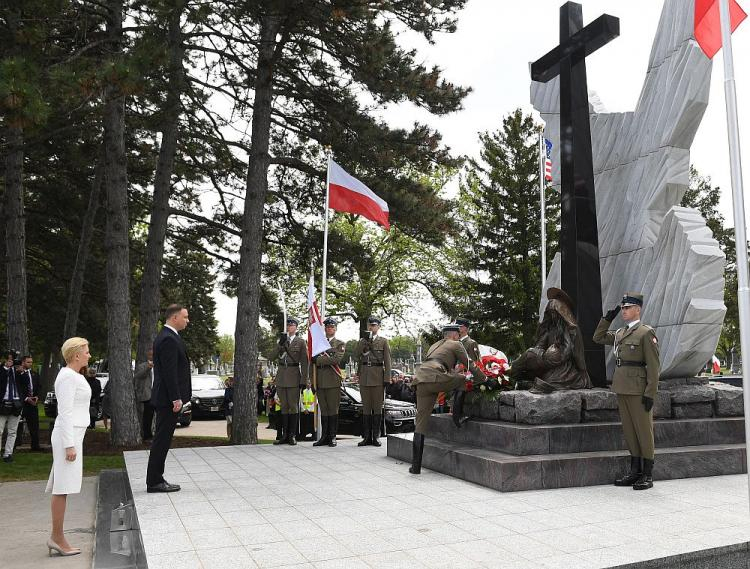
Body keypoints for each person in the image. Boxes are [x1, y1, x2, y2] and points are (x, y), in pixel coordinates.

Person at [593, 292, 660, 491]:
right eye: (622, 308)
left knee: (644, 432)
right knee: (630, 432)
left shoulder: (646, 333)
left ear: (638, 309)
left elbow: (654, 367)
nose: (624, 311)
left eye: (627, 307)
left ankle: (647, 474)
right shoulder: (620, 333)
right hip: (622, 387)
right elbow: (597, 337)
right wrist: (607, 319)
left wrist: (650, 393)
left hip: (639, 390)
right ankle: (635, 472)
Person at [408, 324, 486, 474]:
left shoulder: (434, 345)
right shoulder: (456, 344)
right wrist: (484, 378)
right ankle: (458, 416)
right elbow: (470, 364)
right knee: (463, 380)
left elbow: (439, 363)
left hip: (421, 380)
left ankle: (415, 467)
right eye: (458, 334)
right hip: (436, 378)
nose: (458, 337)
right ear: (455, 335)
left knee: (420, 425)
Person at [46, 337, 92, 556]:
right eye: (86, 351)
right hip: (69, 435)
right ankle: (57, 537)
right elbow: (64, 413)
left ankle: (58, 536)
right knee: (62, 487)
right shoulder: (67, 377)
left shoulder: (73, 375)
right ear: (76, 355)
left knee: (63, 487)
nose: (89, 355)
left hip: (74, 434)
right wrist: (69, 445)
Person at [146, 304, 191, 493]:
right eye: (185, 317)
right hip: (167, 399)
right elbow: (169, 372)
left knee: (162, 439)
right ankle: (155, 481)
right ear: (174, 318)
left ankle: (156, 478)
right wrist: (176, 398)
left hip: (167, 398)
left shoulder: (169, 336)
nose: (187, 321)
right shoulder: (168, 339)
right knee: (162, 440)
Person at [353, 316, 391, 447]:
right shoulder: (362, 341)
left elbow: (388, 361)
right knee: (366, 408)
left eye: (374, 325)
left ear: (378, 327)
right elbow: (357, 354)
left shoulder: (383, 341)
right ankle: (366, 437)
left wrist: (387, 378)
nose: (371, 327)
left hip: (377, 377)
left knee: (377, 408)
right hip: (364, 376)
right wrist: (364, 342)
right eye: (370, 325)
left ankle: (376, 436)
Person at [272, 317, 308, 446]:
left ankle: (292, 435)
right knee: (284, 407)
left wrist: (304, 379)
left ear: (296, 327)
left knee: (293, 406)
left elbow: (304, 362)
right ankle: (284, 435)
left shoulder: (301, 342)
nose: (289, 327)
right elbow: (272, 356)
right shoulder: (281, 340)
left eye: (292, 325)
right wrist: (280, 344)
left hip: (293, 376)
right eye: (288, 325)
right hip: (281, 376)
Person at [312, 317, 346, 447]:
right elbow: (312, 364)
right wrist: (313, 381)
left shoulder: (339, 344)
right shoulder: (318, 343)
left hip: (333, 380)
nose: (329, 329)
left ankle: (332, 437)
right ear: (324, 329)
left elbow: (335, 360)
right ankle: (324, 437)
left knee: (333, 409)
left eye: (332, 327)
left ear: (335, 329)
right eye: (327, 327)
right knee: (324, 410)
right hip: (320, 380)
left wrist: (319, 360)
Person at [1, 350, 27, 463]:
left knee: (12, 431)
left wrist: (22, 372)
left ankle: (8, 454)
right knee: (0, 430)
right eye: (9, 359)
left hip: (16, 404)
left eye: (12, 359)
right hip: (3, 403)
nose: (11, 361)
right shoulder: (1, 370)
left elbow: (26, 384)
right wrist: (6, 368)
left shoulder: (18, 371)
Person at [19, 355, 42, 451]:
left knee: (34, 426)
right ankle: (15, 445)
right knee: (17, 425)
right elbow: (18, 388)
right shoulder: (19, 374)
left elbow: (39, 386)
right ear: (23, 362)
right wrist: (26, 398)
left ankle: (35, 447)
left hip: (33, 404)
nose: (30, 364)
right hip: (21, 404)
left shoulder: (34, 374)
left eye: (31, 362)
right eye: (28, 362)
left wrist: (36, 396)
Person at [134, 349, 155, 440]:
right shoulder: (142, 366)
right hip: (148, 394)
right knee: (148, 416)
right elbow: (139, 376)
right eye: (150, 355)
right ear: (148, 356)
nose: (152, 356)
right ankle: (147, 435)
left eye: (154, 355)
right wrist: (148, 368)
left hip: (158, 393)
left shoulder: (160, 365)